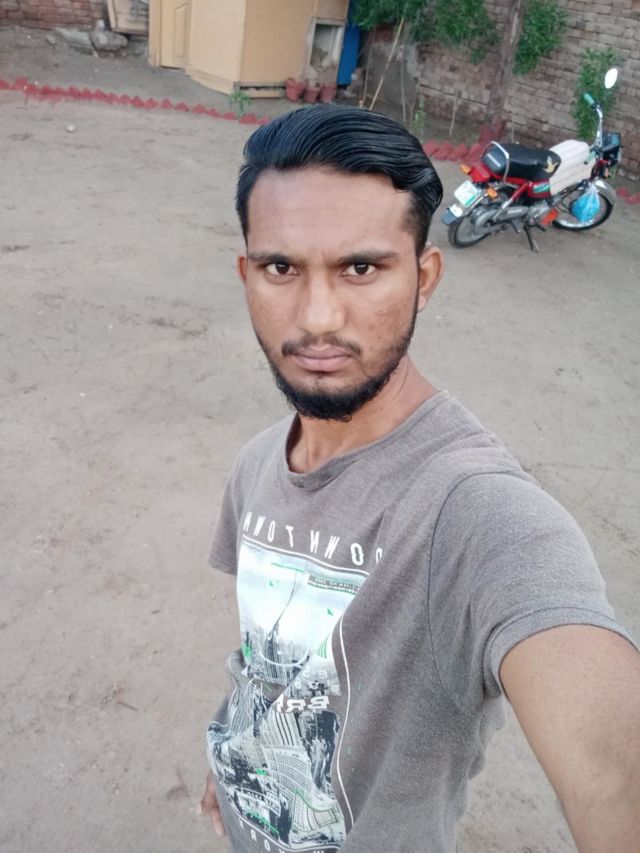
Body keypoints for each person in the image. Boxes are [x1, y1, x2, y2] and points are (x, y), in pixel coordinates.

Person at [198, 106, 640, 852]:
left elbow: (613, 774)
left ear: (423, 278)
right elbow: (265, 653)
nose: (317, 318)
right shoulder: (257, 464)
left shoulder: (479, 513)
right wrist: (233, 748)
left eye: (361, 268)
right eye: (281, 268)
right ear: (247, 275)